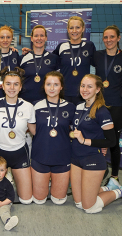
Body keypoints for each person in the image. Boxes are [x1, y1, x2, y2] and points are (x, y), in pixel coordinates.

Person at [70, 74, 122, 214]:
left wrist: (84, 140)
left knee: (89, 207)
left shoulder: (102, 111)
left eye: (89, 86)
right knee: (79, 203)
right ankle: (106, 187)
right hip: (75, 158)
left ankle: (118, 191)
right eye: (82, 85)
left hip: (92, 158)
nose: (84, 89)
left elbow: (111, 141)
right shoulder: (79, 106)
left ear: (98, 89)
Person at [0, 67, 35, 204]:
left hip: (19, 152)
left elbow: (34, 131)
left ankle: (9, 178)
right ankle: (5, 179)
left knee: (26, 200)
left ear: (20, 87)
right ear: (3, 86)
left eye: (16, 84)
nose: (12, 87)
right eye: (8, 84)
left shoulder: (28, 107)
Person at [31, 71, 75, 205]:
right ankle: (45, 183)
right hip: (40, 157)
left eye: (56, 84)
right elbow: (27, 127)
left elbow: (78, 130)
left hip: (62, 158)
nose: (51, 88)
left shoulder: (71, 107)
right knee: (39, 200)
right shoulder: (35, 106)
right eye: (48, 84)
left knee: (59, 201)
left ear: (61, 87)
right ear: (43, 86)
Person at [92, 25, 122, 184]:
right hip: (99, 105)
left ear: (118, 38)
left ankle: (115, 176)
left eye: (112, 37)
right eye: (106, 37)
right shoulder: (97, 55)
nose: (108, 40)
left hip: (116, 105)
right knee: (97, 138)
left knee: (113, 141)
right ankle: (98, 170)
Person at [53, 16, 96, 105]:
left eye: (78, 27)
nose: (74, 31)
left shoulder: (89, 46)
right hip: (65, 93)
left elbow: (98, 62)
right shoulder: (61, 46)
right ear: (68, 30)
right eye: (71, 28)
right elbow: (48, 59)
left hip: (84, 93)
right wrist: (32, 52)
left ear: (83, 29)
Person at [20, 25, 59, 103]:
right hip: (25, 101)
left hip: (46, 102)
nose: (39, 38)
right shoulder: (22, 58)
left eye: (42, 35)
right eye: (36, 36)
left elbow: (58, 81)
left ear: (46, 38)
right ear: (31, 38)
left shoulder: (54, 58)